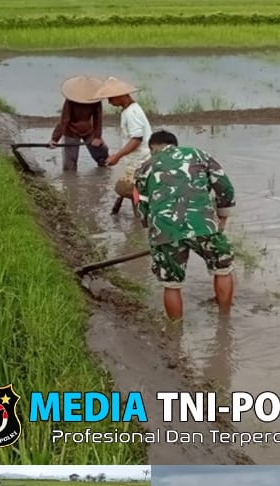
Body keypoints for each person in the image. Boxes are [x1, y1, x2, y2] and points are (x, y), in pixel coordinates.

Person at [134, 130, 237, 320]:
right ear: (175, 144)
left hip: (164, 229)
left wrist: (152, 230)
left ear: (153, 148)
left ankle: (175, 331)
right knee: (222, 268)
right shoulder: (198, 155)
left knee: (171, 283)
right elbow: (224, 186)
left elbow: (141, 205)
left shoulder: (144, 167)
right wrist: (222, 217)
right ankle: (225, 321)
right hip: (202, 224)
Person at [93, 76, 152, 201]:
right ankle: (136, 215)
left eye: (110, 98)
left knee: (134, 193)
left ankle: (140, 218)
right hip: (134, 158)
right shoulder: (129, 110)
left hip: (139, 159)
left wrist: (117, 156)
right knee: (130, 190)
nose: (109, 102)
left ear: (121, 95)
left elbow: (136, 139)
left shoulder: (132, 112)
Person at [48, 75, 109, 170]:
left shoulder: (95, 100)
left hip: (88, 129)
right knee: (69, 165)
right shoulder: (71, 100)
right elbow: (64, 120)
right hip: (71, 131)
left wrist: (97, 137)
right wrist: (54, 139)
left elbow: (98, 118)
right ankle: (70, 181)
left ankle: (104, 169)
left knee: (102, 155)